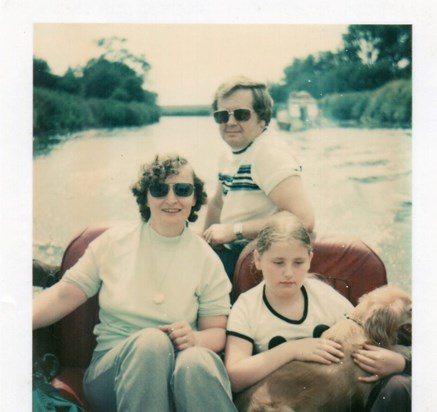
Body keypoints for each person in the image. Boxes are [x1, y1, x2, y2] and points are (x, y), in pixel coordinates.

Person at [33, 154, 237, 412]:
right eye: (160, 189)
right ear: (146, 197)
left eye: (182, 190)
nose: (171, 199)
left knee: (197, 361)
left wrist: (195, 338)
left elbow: (217, 332)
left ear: (194, 198)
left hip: (179, 373)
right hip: (112, 376)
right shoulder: (113, 243)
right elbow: (63, 295)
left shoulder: (207, 259)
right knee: (152, 342)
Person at [224, 214, 411, 411]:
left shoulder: (323, 294)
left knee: (400, 386)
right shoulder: (246, 306)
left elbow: (361, 334)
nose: (288, 273)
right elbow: (235, 377)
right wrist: (293, 349)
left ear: (310, 260)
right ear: (258, 259)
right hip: (280, 403)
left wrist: (399, 361)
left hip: (333, 395)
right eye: (278, 262)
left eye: (298, 263)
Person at [203, 76, 315, 280]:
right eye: (222, 116)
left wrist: (234, 231)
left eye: (241, 115)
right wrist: (202, 242)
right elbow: (218, 204)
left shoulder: (269, 154)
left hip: (253, 253)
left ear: (262, 118)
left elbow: (304, 219)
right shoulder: (229, 154)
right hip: (232, 249)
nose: (230, 122)